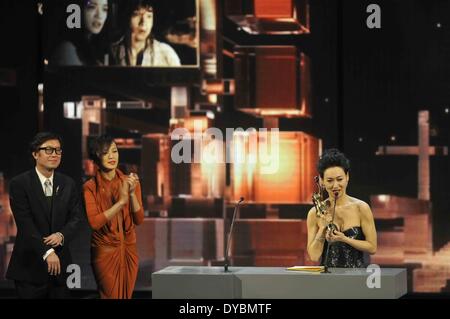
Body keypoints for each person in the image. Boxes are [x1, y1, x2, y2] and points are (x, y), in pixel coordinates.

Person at [6, 132, 83, 298]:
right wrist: (47, 252)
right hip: (29, 267)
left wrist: (62, 235)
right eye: (48, 150)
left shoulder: (68, 183)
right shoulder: (19, 184)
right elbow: (25, 224)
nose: (54, 154)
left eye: (58, 150)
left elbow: (76, 218)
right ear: (35, 154)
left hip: (61, 268)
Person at [83, 135, 144, 299]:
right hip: (105, 252)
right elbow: (94, 222)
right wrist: (121, 202)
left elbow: (139, 219)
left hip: (129, 250)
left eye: (115, 151)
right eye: (106, 153)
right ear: (97, 155)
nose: (112, 156)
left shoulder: (129, 181)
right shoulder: (90, 187)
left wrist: (131, 195)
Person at [306, 149, 377, 268]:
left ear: (347, 177)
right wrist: (322, 228)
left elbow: (372, 247)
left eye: (339, 179)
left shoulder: (361, 208)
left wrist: (345, 239)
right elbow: (314, 256)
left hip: (356, 278)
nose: (335, 186)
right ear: (322, 181)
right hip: (328, 279)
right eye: (329, 181)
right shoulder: (314, 213)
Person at [110, 0, 181, 66]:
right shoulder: (111, 52)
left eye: (149, 16)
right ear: (127, 17)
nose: (143, 22)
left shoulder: (166, 53)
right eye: (136, 15)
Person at [51, 0, 110, 65]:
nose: (99, 15)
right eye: (91, 7)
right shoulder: (66, 49)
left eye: (105, 9)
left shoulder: (98, 47)